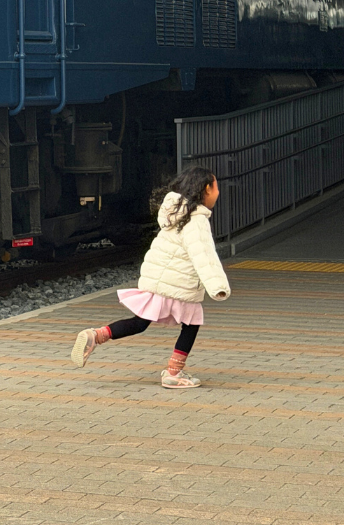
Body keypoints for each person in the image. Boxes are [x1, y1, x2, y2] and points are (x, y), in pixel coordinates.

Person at [70, 165, 230, 389]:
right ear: (206, 189)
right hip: (178, 282)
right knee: (191, 324)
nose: (218, 192)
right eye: (216, 187)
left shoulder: (175, 212)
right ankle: (174, 373)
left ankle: (96, 335)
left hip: (159, 279)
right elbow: (203, 256)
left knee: (140, 322)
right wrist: (217, 286)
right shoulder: (197, 220)